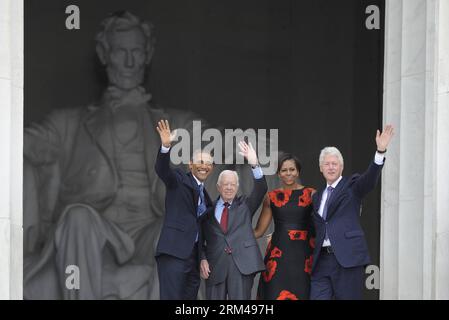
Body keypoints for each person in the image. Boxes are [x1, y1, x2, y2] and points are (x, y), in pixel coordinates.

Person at [23, 11, 207, 299]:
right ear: (103, 53)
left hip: (149, 230)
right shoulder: (67, 124)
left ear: (148, 54)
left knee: (177, 224)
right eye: (121, 51)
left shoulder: (177, 122)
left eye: (136, 51)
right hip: (96, 234)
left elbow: (218, 145)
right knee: (78, 217)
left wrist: (261, 155)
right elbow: (17, 143)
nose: (130, 62)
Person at [310, 125, 394, 300]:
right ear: (321, 168)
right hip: (322, 261)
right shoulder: (317, 196)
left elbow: (369, 180)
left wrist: (380, 152)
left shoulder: (352, 186)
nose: (331, 167)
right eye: (327, 164)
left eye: (335, 164)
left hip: (347, 258)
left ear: (342, 167)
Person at [154, 119, 214, 300]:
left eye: (209, 163)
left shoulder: (207, 198)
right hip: (174, 252)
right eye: (200, 161)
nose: (204, 166)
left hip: (193, 258)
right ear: (190, 164)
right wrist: (165, 147)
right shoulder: (179, 180)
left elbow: (201, 230)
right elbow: (162, 170)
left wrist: (202, 256)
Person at [200, 141, 268, 300]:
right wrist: (202, 258)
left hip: (241, 265)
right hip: (215, 266)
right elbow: (200, 240)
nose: (229, 187)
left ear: (237, 187)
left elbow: (261, 189)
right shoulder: (207, 213)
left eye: (232, 184)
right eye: (225, 184)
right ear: (218, 187)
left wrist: (254, 164)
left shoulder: (245, 205)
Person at [254, 153, 316, 300]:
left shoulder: (311, 194)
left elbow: (323, 224)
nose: (288, 173)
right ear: (278, 173)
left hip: (304, 256)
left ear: (298, 171)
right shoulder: (271, 197)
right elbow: (259, 231)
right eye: (284, 170)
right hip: (278, 257)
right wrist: (234, 235)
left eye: (292, 169)